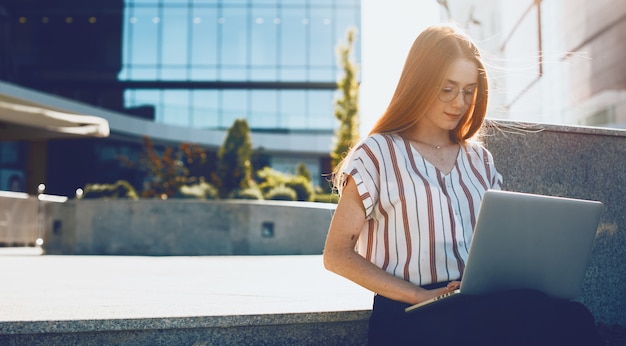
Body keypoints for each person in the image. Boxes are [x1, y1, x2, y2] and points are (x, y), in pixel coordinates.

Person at [323, 23, 602, 346]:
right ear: (419, 84)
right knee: (534, 317)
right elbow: (337, 255)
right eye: (447, 89)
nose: (459, 102)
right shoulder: (377, 153)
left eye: (469, 91)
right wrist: (418, 294)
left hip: (472, 305)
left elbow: (497, 242)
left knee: (571, 316)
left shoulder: (480, 160)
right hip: (409, 313)